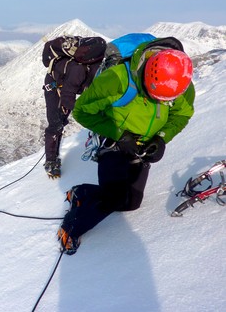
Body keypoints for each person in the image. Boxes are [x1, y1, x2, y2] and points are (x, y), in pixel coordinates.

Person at [58, 41, 195, 255]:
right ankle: (71, 227)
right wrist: (120, 135)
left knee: (130, 203)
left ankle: (81, 191)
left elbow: (182, 114)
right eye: (153, 95)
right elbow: (82, 112)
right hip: (114, 142)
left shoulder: (180, 83)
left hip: (143, 147)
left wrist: (161, 138)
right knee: (113, 198)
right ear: (147, 75)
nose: (158, 101)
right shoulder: (117, 80)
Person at [42, 36, 105, 178]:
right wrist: (84, 112)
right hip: (54, 85)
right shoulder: (78, 70)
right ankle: (51, 162)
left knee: (62, 120)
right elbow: (67, 97)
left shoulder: (98, 68)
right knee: (56, 123)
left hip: (70, 85)